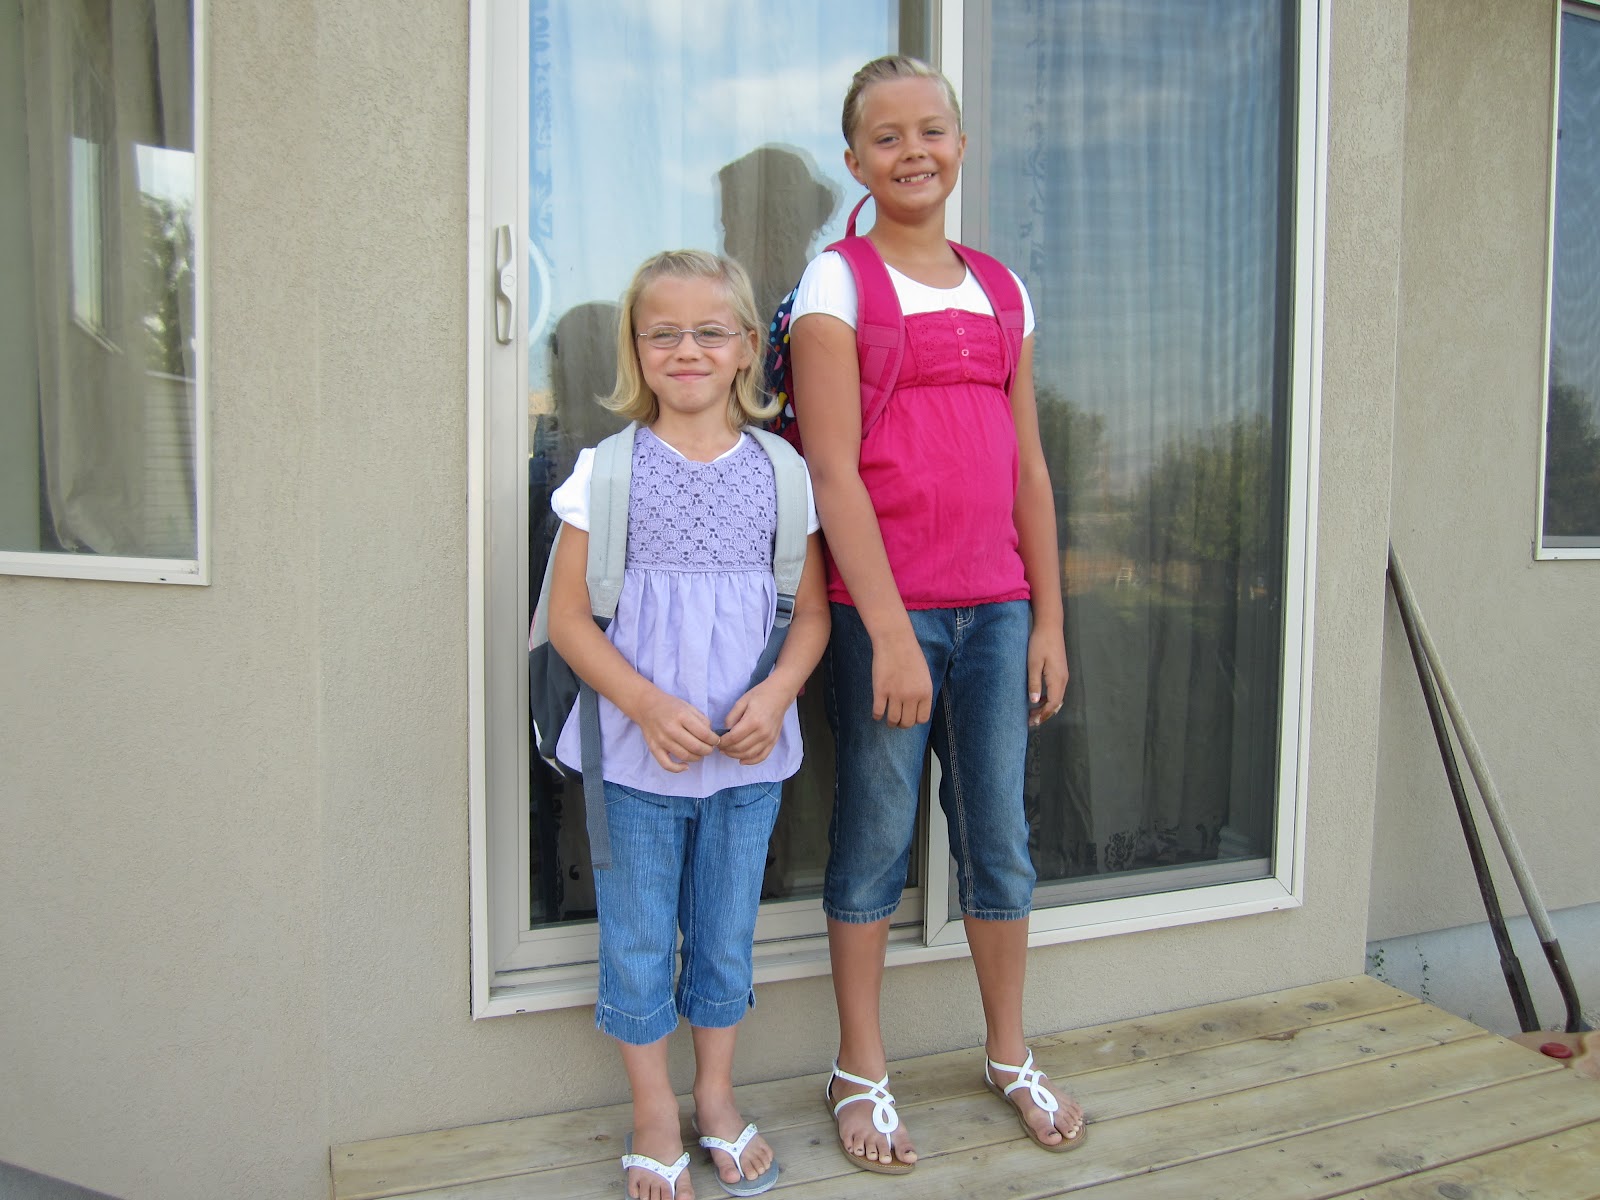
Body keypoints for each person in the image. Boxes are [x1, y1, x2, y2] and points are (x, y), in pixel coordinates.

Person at [788, 55, 1088, 1174]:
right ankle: (858, 1067)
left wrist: (1047, 619)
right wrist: (889, 631)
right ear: (855, 159)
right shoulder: (838, 284)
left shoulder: (1003, 290)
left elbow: (1030, 471)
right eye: (886, 136)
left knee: (998, 839)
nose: (912, 150)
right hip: (889, 615)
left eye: (931, 130)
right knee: (873, 837)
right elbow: (831, 473)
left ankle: (1008, 1053)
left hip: (998, 610)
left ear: (961, 145)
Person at [547, 250, 829, 1200]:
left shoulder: (784, 475)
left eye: (710, 331)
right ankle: (653, 1113)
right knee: (636, 941)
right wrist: (645, 703)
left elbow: (811, 615)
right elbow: (568, 620)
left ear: (747, 346)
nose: (687, 349)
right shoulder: (607, 472)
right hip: (634, 764)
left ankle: (714, 1095)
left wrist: (778, 693)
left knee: (724, 937)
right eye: (662, 332)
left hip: (746, 767)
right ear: (635, 348)